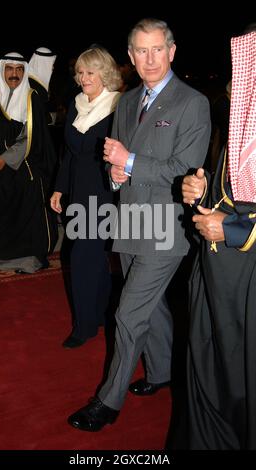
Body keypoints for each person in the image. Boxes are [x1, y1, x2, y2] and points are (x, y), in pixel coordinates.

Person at [67, 18, 211, 431]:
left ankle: (107, 403)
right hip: (129, 220)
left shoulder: (192, 102)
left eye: (157, 49)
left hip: (166, 226)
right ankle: (162, 371)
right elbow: (118, 162)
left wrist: (128, 162)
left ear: (172, 51)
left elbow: (184, 170)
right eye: (141, 51)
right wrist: (116, 174)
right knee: (155, 309)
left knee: (129, 314)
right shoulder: (127, 101)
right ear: (130, 56)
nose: (150, 59)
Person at [180, 30, 256, 449]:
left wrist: (234, 231)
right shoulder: (239, 128)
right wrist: (199, 189)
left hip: (249, 284)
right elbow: (227, 192)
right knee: (212, 379)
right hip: (216, 282)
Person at [50, 46, 122, 348]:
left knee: (82, 257)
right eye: (80, 72)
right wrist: (59, 188)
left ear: (104, 73)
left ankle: (84, 326)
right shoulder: (77, 103)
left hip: (104, 192)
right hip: (79, 191)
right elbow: (70, 153)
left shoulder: (118, 106)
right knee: (93, 258)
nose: (83, 78)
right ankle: (103, 314)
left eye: (90, 71)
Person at [0, 52, 58, 273]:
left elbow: (32, 136)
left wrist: (7, 158)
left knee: (28, 199)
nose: (14, 74)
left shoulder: (31, 97)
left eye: (19, 69)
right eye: (9, 69)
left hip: (23, 164)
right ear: (2, 70)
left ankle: (26, 258)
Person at [28, 47, 57, 124]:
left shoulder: (39, 82)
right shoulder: (31, 85)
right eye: (51, 64)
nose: (53, 67)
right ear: (43, 64)